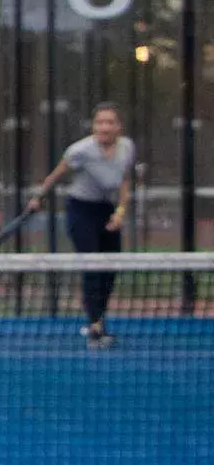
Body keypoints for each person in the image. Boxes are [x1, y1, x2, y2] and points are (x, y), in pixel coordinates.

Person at [27, 102, 135, 349]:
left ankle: (98, 317)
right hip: (81, 210)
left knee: (110, 268)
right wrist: (38, 198)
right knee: (92, 266)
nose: (105, 127)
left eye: (110, 122)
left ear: (118, 126)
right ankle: (96, 326)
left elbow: (125, 181)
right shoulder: (80, 150)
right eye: (100, 122)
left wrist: (120, 212)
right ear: (94, 125)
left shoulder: (127, 147)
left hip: (107, 211)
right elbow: (56, 175)